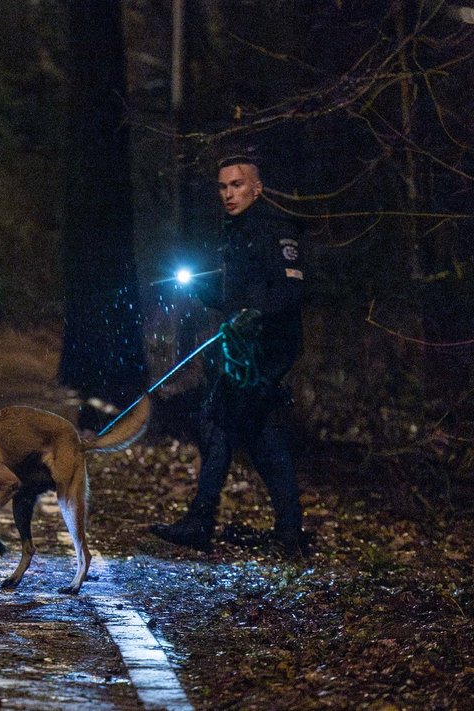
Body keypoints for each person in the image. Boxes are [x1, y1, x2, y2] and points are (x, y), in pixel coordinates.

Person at [149, 153, 307, 555]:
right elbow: (236, 295)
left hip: (268, 351)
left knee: (233, 428)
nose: (228, 194)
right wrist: (203, 291)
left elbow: (290, 291)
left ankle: (217, 523)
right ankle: (280, 530)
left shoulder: (274, 229)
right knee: (243, 432)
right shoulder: (235, 232)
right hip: (242, 350)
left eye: (236, 185)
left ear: (257, 188)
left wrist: (257, 317)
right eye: (222, 187)